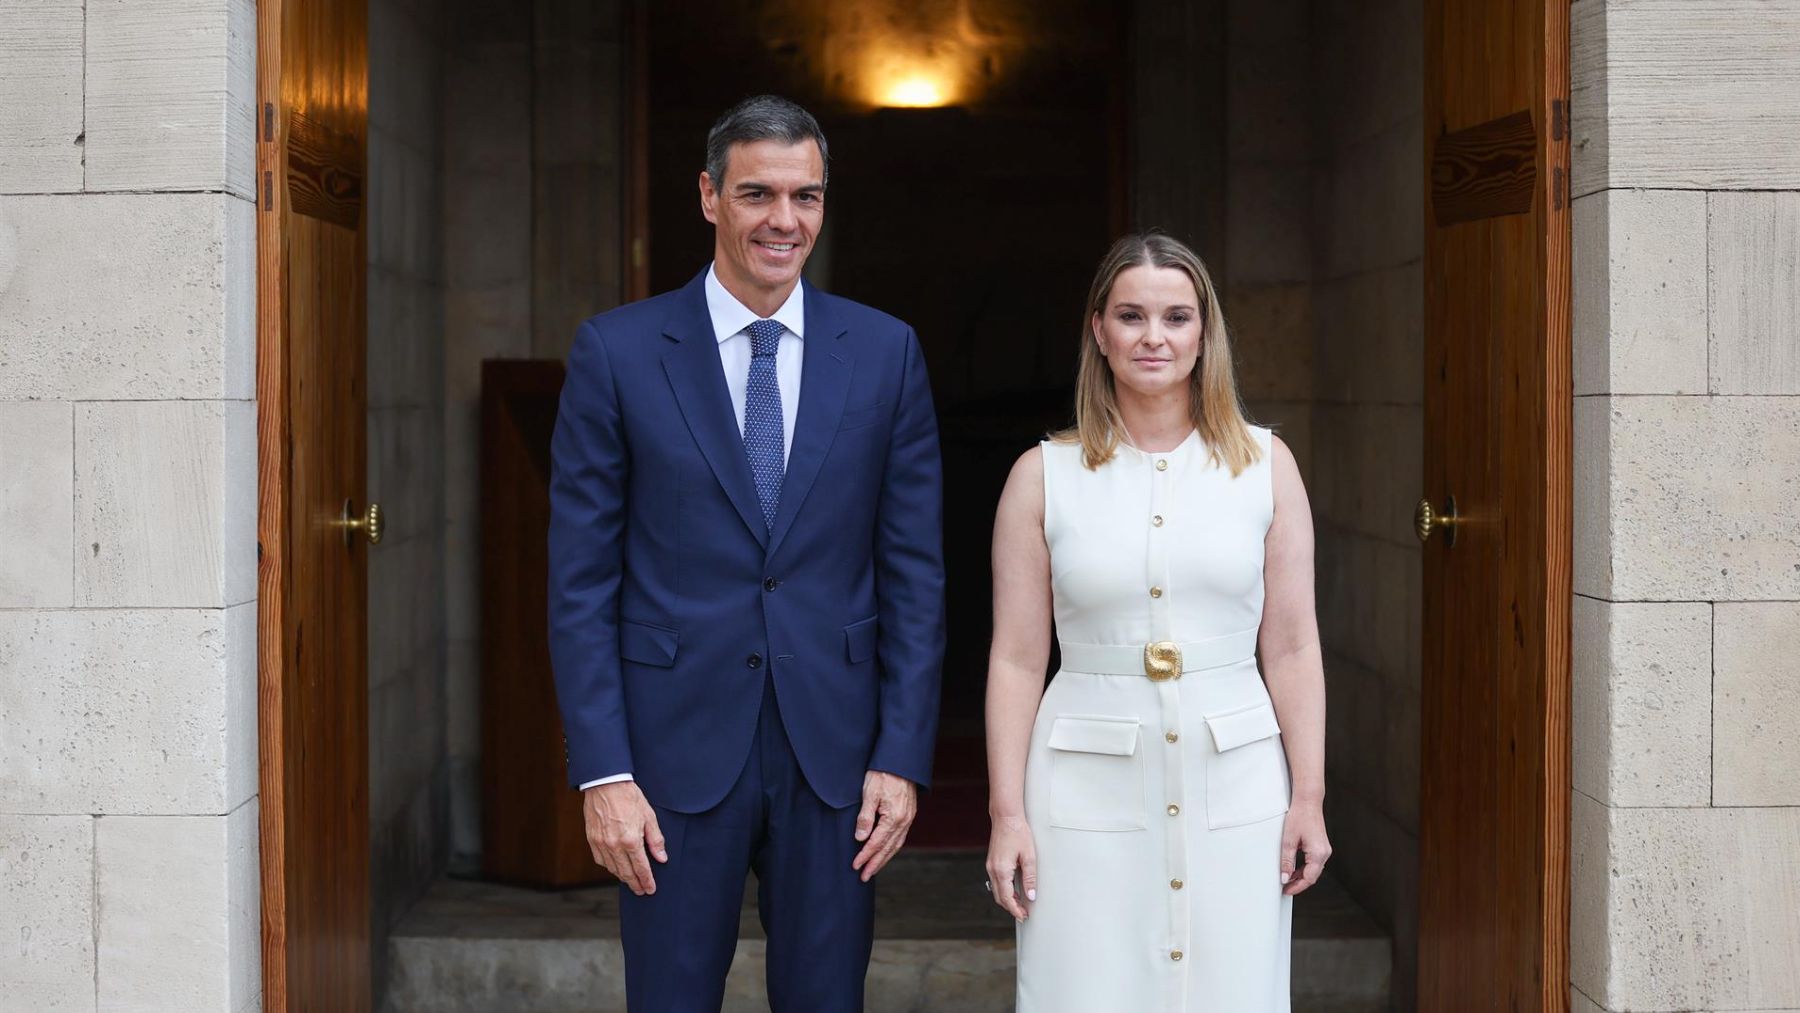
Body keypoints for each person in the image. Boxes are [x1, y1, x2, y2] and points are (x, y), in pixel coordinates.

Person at [546, 94, 946, 1012]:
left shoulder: (886, 353)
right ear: (708, 196)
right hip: (669, 757)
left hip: (836, 756)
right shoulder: (618, 350)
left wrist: (901, 755)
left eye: (805, 197)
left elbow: (916, 574)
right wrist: (603, 770)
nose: (784, 220)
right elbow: (579, 582)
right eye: (758, 193)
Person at [983, 233, 1330, 1011]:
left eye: (1176, 317)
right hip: (1082, 787)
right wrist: (1008, 813)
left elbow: (1294, 642)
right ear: (1099, 331)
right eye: (1131, 315)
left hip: (1236, 778)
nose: (1154, 337)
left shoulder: (1265, 465)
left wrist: (1307, 794)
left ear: (1204, 333)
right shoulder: (1042, 478)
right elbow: (1014, 657)